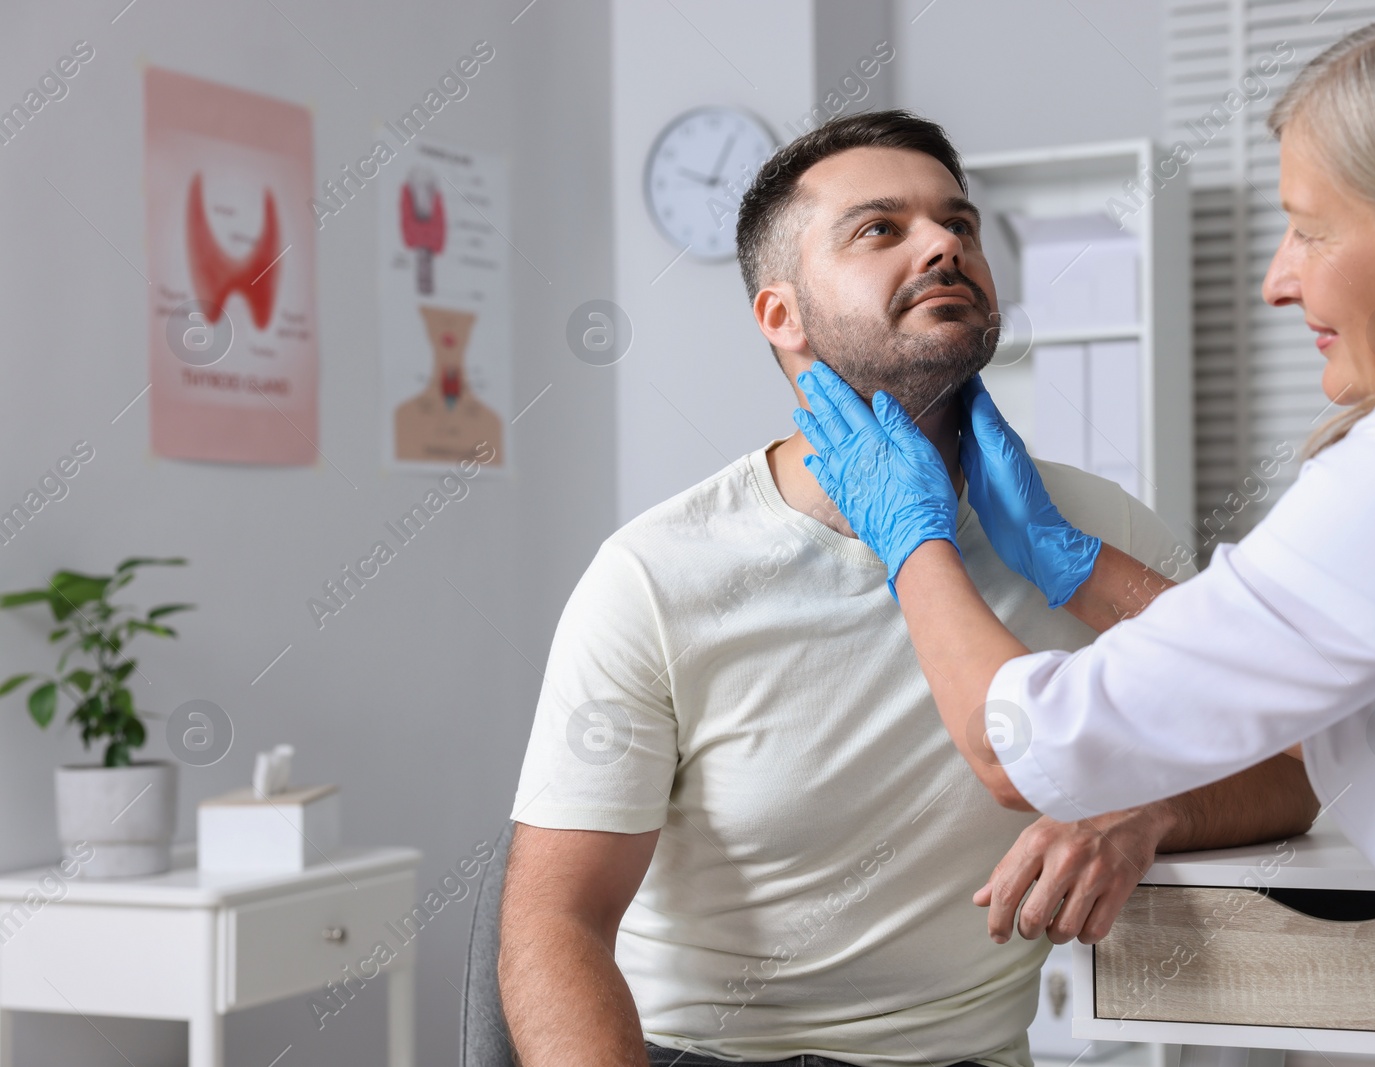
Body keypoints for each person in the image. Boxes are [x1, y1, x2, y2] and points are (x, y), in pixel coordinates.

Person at [796, 0, 1375, 1030]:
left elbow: (1025, 749)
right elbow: (1308, 684)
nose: (1275, 279)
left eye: (1310, 229)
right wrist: (1072, 566)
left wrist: (913, 539)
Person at [498, 110, 1319, 1067]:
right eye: (880, 229)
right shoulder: (656, 574)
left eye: (960, 224)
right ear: (781, 314)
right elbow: (554, 921)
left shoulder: (1096, 535)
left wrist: (1147, 812)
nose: (943, 244)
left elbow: (1295, 768)